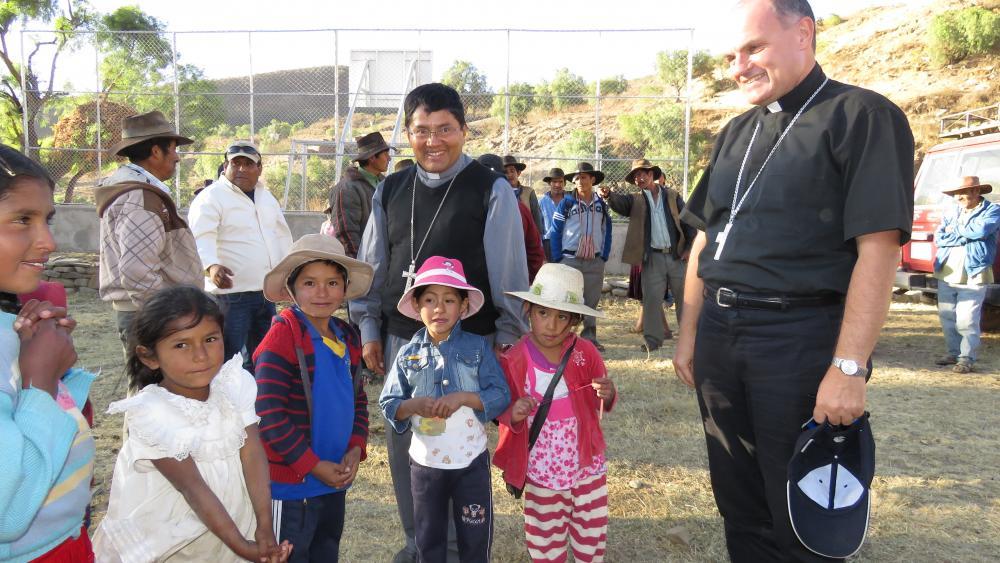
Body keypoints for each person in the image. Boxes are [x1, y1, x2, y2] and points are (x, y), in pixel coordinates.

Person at [672, 1, 914, 561]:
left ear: (803, 33)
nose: (738, 67)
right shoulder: (734, 132)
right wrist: (690, 335)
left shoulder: (862, 116)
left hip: (800, 339)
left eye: (753, 48)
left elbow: (878, 251)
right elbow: (706, 241)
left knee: (802, 519)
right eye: (731, 55)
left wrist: (849, 367)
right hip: (721, 339)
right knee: (740, 505)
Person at [350, 82, 528, 563]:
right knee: (407, 444)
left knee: (457, 441)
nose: (433, 141)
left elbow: (509, 273)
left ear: (464, 131)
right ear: (407, 133)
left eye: (445, 129)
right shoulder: (389, 188)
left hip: (469, 342)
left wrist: (507, 337)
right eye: (421, 130)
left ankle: (456, 549)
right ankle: (419, 544)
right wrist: (368, 328)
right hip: (402, 338)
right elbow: (373, 265)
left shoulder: (491, 189)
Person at [91, 286, 292, 563]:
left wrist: (265, 525)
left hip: (234, 524)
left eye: (210, 339)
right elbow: (192, 488)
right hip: (177, 539)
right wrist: (241, 546)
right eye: (181, 344)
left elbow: (253, 455)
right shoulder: (153, 414)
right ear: (149, 356)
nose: (200, 355)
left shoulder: (234, 386)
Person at [379, 256, 511, 563]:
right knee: (428, 540)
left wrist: (464, 397)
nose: (439, 308)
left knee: (475, 539)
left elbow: (501, 395)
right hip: (425, 467)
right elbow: (388, 404)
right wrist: (412, 405)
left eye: (449, 299)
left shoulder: (477, 349)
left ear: (463, 306)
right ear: (416, 306)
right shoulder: (407, 355)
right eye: (430, 299)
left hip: (471, 464)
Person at [0, 145, 96, 562]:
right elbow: (8, 510)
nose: (49, 241)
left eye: (47, 219)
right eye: (22, 220)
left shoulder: (11, 322)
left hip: (63, 539)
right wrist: (41, 377)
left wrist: (57, 367)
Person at [253, 234, 373, 561]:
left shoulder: (348, 335)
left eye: (332, 282)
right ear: (291, 289)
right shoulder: (284, 335)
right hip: (291, 486)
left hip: (333, 478)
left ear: (345, 288)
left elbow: (358, 400)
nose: (322, 292)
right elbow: (267, 413)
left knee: (325, 551)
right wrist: (311, 464)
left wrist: (355, 447)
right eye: (309, 282)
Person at [493, 263, 617, 563]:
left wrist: (608, 393)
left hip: (586, 466)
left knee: (591, 533)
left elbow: (604, 398)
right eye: (543, 313)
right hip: (541, 471)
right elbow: (502, 410)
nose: (551, 325)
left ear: (574, 320)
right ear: (528, 310)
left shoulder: (586, 353)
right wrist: (515, 413)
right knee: (546, 539)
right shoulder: (514, 359)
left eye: (562, 316)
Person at [97, 110, 203, 357]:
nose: (177, 157)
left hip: (146, 310)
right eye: (173, 148)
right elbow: (137, 271)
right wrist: (164, 317)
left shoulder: (139, 194)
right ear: (156, 151)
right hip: (151, 313)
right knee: (153, 391)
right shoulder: (140, 198)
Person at [189, 140, 293, 372]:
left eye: (249, 164)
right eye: (236, 163)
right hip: (231, 296)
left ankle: (257, 401)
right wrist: (212, 266)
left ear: (260, 169)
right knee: (229, 358)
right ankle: (226, 403)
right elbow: (200, 236)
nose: (242, 169)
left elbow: (281, 236)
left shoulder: (266, 198)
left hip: (265, 293)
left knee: (264, 354)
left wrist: (288, 273)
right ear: (225, 166)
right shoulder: (211, 197)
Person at [601, 158, 694, 352]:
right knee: (651, 300)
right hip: (652, 258)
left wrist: (688, 249)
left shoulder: (672, 196)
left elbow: (687, 221)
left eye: (643, 173)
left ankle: (690, 339)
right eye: (636, 175)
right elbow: (620, 204)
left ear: (652, 175)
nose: (639, 178)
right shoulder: (635, 200)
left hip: (676, 257)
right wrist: (609, 196)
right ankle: (653, 341)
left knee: (685, 299)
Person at [932, 176, 1000, 374]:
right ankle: (953, 353)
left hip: (974, 271)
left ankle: (966, 358)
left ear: (976, 192)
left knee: (967, 319)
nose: (958, 197)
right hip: (946, 269)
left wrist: (955, 232)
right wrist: (963, 234)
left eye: (962, 192)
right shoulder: (951, 211)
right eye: (955, 194)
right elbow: (939, 237)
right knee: (947, 315)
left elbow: (980, 231)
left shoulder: (993, 211)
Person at [550, 162, 612, 352]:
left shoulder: (601, 204)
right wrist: (557, 257)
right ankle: (564, 337)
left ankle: (589, 338)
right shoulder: (567, 203)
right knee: (568, 299)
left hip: (594, 260)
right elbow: (555, 230)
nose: (579, 181)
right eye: (576, 178)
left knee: (591, 300)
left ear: (592, 180)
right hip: (570, 259)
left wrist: (604, 255)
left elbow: (606, 230)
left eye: (584, 177)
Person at [479, 153, 545, 282]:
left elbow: (535, 236)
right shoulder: (469, 208)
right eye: (507, 171)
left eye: (512, 171)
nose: (510, 175)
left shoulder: (526, 197)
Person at [328, 132, 395, 258]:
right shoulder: (347, 189)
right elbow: (346, 233)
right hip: (365, 262)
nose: (389, 158)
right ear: (372, 158)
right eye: (385, 154)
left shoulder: (383, 183)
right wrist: (360, 267)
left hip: (383, 258)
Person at [504, 155, 545, 239]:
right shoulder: (500, 193)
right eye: (505, 172)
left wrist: (538, 237)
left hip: (526, 236)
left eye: (512, 171)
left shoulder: (529, 192)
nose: (509, 174)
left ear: (518, 173)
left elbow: (536, 215)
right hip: (506, 236)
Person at [539, 167, 568, 261]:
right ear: (549, 183)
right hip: (548, 244)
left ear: (564, 183)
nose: (557, 185)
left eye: (560, 181)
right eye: (554, 182)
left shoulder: (570, 200)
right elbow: (538, 227)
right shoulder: (542, 202)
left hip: (568, 242)